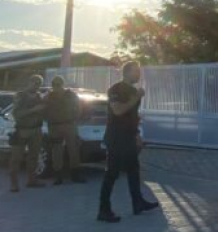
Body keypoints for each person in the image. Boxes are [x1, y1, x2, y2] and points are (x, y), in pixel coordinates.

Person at [98, 61, 158, 223]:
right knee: (112, 174)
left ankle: (138, 203)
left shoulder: (133, 91)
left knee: (133, 171)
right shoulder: (115, 89)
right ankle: (103, 210)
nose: (139, 74)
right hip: (116, 138)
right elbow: (118, 110)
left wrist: (137, 134)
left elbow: (133, 115)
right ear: (127, 72)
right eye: (136, 71)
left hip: (129, 137)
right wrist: (136, 97)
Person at [9, 75, 47, 193]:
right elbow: (16, 114)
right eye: (35, 83)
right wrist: (33, 110)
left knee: (34, 157)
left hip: (36, 130)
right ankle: (14, 184)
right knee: (16, 158)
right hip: (23, 130)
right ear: (29, 82)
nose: (36, 85)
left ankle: (32, 180)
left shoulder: (40, 97)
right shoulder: (21, 96)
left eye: (39, 83)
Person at [45, 76, 84, 185]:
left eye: (58, 84)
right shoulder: (49, 96)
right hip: (54, 126)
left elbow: (79, 108)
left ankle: (75, 175)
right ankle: (58, 176)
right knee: (56, 152)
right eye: (54, 84)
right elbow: (44, 109)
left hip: (69, 124)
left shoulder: (71, 95)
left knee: (74, 150)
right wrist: (48, 119)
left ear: (63, 84)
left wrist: (74, 119)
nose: (56, 87)